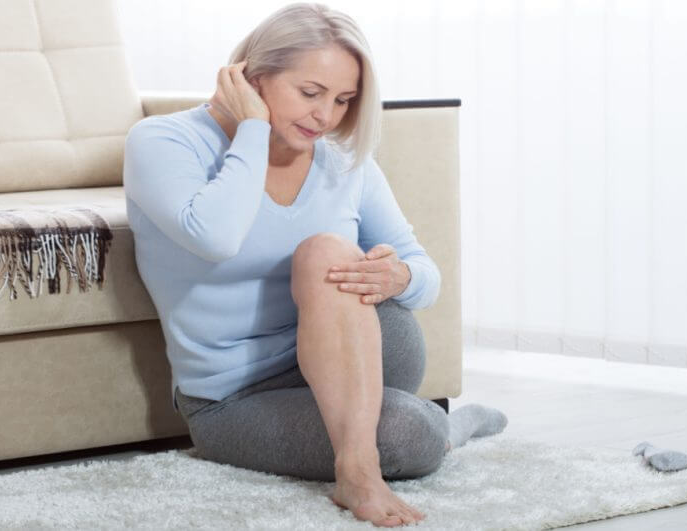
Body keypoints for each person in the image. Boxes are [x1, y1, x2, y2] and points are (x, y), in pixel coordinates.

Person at [123, 3, 507, 527]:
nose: (326, 117)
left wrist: (401, 276)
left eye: (343, 100)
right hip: (234, 398)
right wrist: (253, 130)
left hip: (361, 348)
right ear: (253, 77)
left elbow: (425, 274)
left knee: (327, 253)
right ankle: (439, 430)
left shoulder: (345, 162)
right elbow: (215, 237)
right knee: (408, 436)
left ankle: (358, 469)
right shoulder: (164, 142)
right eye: (310, 93)